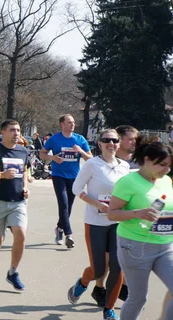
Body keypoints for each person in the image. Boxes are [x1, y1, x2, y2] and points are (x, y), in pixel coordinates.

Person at [67, 129, 129, 320]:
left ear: (119, 143)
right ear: (99, 143)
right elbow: (76, 188)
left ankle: (108, 309)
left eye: (114, 140)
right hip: (95, 222)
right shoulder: (92, 164)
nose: (111, 143)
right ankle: (82, 283)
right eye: (106, 140)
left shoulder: (125, 166)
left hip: (118, 223)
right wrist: (97, 205)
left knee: (119, 267)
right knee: (99, 270)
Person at [108, 141, 173, 320]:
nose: (166, 169)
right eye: (162, 164)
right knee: (138, 298)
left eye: (169, 165)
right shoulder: (128, 181)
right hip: (135, 246)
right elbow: (112, 214)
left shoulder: (166, 181)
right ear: (147, 160)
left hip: (165, 245)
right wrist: (138, 213)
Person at [0, 119, 29, 291]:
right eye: (12, 130)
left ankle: (13, 272)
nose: (16, 133)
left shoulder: (23, 151)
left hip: (17, 201)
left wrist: (25, 187)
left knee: (21, 235)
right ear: (2, 132)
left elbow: (24, 171)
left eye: (18, 130)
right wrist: (2, 175)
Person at [40, 114, 93, 248]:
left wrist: (81, 151)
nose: (72, 124)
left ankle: (59, 228)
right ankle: (68, 235)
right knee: (63, 204)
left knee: (69, 206)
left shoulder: (79, 139)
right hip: (58, 176)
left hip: (75, 176)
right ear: (62, 124)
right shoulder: (55, 139)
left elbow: (90, 159)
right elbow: (42, 153)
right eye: (69, 122)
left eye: (73, 122)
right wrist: (52, 158)